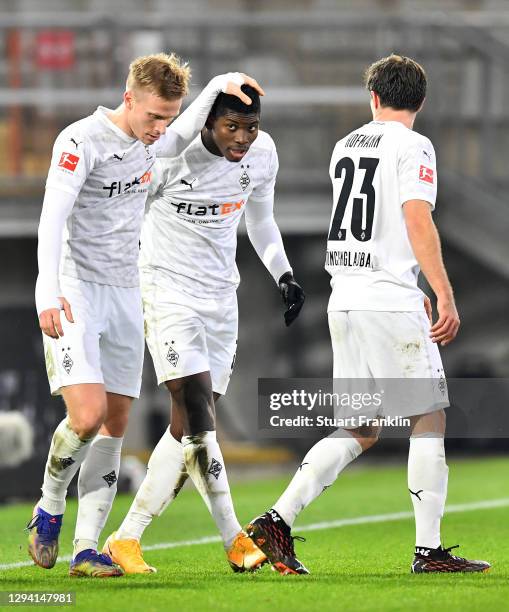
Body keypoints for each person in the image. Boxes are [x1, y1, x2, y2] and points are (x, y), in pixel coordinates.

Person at [244, 54, 490, 575]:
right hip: (385, 301)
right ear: (420, 101)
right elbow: (415, 218)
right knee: (429, 414)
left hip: (347, 298)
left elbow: (370, 223)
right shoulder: (414, 145)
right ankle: (430, 551)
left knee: (361, 427)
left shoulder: (346, 145)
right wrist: (442, 291)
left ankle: (276, 520)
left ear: (373, 98)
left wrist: (408, 281)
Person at [27, 52, 263, 578]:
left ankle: (87, 548)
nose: (161, 128)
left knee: (115, 424)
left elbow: (185, 129)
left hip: (126, 291)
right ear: (128, 98)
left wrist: (221, 82)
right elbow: (52, 215)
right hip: (76, 289)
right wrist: (48, 290)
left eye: (169, 116)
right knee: (85, 417)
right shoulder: (80, 140)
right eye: (153, 116)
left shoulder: (155, 145)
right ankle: (49, 506)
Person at [101, 84, 305, 573]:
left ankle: (126, 539)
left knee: (187, 427)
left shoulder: (263, 154)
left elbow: (261, 220)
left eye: (250, 127)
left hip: (221, 301)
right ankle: (235, 537)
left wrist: (284, 274)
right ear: (208, 123)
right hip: (168, 293)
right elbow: (122, 214)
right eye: (231, 126)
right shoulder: (173, 157)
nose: (242, 138)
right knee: (197, 411)